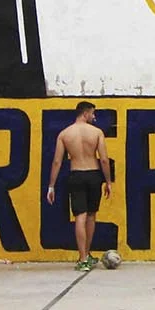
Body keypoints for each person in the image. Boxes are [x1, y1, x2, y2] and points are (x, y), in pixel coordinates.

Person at [45, 101, 111, 272]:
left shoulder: (65, 134)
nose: (94, 117)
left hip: (76, 175)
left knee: (79, 216)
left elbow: (57, 161)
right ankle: (86, 254)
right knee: (90, 216)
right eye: (93, 114)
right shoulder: (97, 133)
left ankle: (83, 258)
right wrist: (108, 181)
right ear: (85, 113)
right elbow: (103, 159)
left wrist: (51, 186)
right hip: (93, 175)